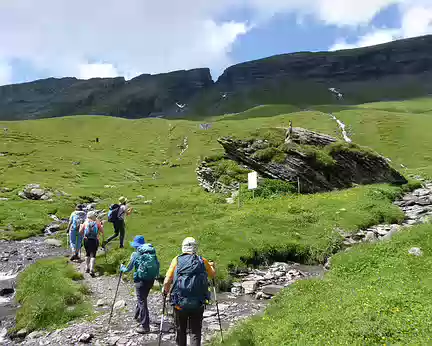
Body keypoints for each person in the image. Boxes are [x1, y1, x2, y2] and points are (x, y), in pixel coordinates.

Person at [163, 237, 216, 346]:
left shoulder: (176, 260)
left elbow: (168, 279)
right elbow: (212, 275)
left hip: (179, 303)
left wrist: (165, 291)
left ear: (183, 248)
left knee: (180, 330)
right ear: (195, 248)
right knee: (195, 331)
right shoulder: (202, 260)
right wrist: (211, 266)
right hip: (198, 303)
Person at [120, 235, 160, 334]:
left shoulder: (135, 254)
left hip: (140, 281)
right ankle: (137, 315)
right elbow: (158, 264)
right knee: (143, 298)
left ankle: (145, 326)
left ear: (136, 245)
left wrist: (122, 268)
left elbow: (128, 269)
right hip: (150, 280)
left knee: (142, 301)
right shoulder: (151, 252)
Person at [79, 211, 104, 277]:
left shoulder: (85, 222)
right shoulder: (97, 222)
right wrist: (101, 226)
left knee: (87, 253)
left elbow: (80, 232)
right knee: (93, 254)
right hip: (94, 240)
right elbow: (102, 231)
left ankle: (87, 267)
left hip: (86, 239)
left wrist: (81, 227)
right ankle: (91, 269)